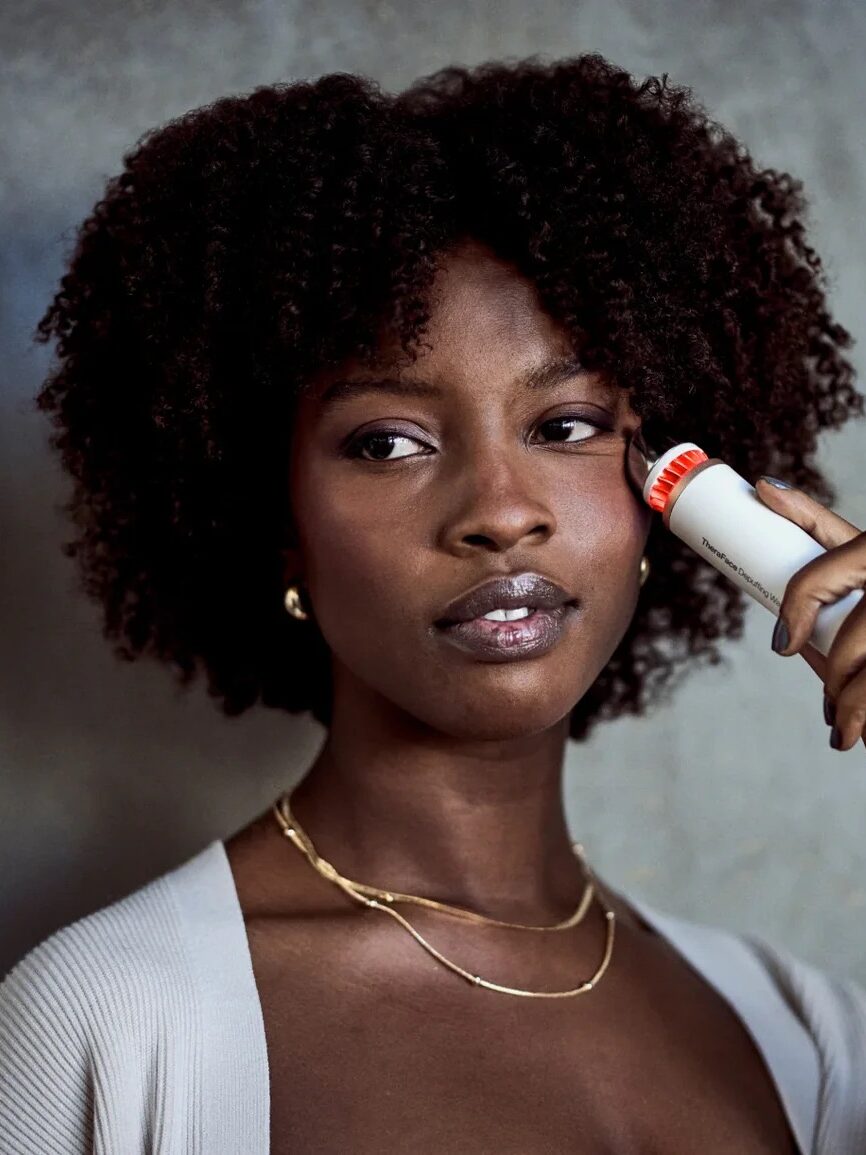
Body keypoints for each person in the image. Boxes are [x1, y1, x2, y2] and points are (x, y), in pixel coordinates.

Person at [2, 52, 866, 1155]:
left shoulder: (810, 1039)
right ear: (276, 520)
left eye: (564, 426)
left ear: (670, 499)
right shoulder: (108, 1024)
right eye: (387, 442)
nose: (500, 511)